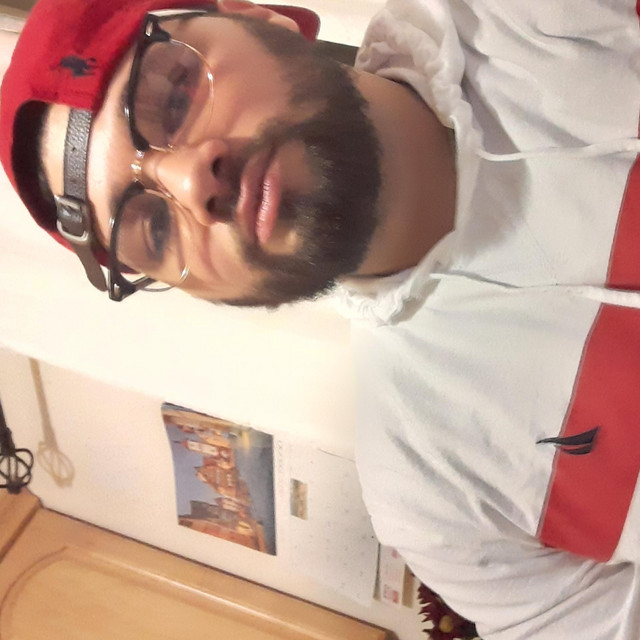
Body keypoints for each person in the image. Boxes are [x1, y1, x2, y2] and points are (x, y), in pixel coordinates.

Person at [2, 0, 640, 637]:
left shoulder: (519, 16)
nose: (194, 185)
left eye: (174, 96)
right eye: (156, 229)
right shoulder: (433, 497)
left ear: (260, 16)